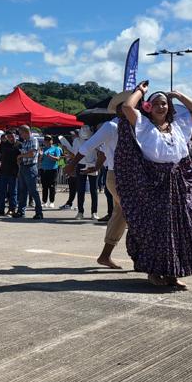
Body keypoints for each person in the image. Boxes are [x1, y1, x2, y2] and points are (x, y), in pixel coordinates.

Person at [113, 82, 192, 290]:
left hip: (179, 183)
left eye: (164, 103)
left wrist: (178, 95)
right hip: (153, 183)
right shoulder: (144, 126)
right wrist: (140, 91)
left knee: (186, 227)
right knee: (156, 229)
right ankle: (154, 271)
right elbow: (127, 107)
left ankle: (174, 273)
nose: (161, 107)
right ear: (148, 107)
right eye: (155, 104)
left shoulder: (179, 125)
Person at [65, 114, 126, 267]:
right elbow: (88, 146)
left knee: (121, 215)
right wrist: (72, 164)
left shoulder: (136, 124)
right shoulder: (111, 126)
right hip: (117, 176)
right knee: (135, 214)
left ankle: (105, 256)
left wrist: (97, 167)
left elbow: (103, 152)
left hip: (128, 176)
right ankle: (146, 257)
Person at [15, 126, 43, 219]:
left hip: (31, 167)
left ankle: (39, 212)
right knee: (22, 191)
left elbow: (32, 154)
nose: (20, 135)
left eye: (21, 133)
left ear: (26, 132)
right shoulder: (25, 142)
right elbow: (26, 154)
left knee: (33, 191)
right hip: (23, 167)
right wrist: (20, 159)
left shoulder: (33, 140)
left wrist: (20, 156)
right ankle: (21, 211)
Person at [0, 131, 20, 216]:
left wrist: (19, 171)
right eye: (9, 137)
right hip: (3, 171)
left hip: (14, 172)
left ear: (15, 136)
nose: (11, 138)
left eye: (12, 136)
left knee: (13, 192)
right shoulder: (3, 144)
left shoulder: (19, 144)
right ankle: (0, 210)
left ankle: (12, 209)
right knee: (1, 191)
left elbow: (20, 159)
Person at [39, 136, 61, 208]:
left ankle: (52, 202)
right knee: (44, 187)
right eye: (46, 140)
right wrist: (41, 156)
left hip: (52, 170)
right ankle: (44, 202)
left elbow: (58, 159)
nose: (47, 141)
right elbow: (40, 161)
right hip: (44, 170)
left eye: (49, 140)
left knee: (52, 186)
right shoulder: (43, 149)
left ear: (52, 141)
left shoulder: (56, 148)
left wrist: (50, 156)